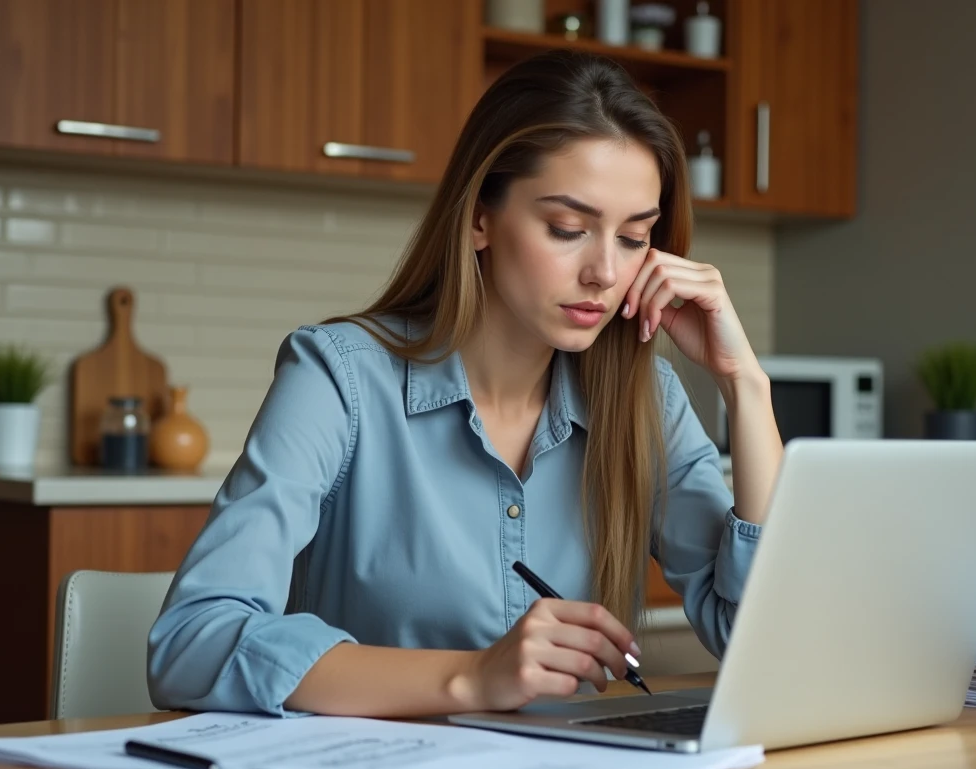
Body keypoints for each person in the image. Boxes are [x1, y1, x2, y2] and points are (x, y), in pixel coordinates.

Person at [147, 49, 783, 720]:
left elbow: (765, 644)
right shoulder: (338, 376)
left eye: (634, 238)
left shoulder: (643, 398)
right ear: (480, 218)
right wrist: (473, 677)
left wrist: (746, 387)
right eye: (568, 228)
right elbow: (191, 642)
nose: (604, 271)